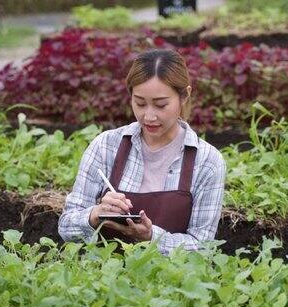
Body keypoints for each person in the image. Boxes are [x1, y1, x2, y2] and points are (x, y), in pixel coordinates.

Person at [58, 49, 226, 254]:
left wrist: (151, 237)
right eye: (139, 103)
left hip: (174, 283)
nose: (149, 116)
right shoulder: (106, 146)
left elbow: (203, 247)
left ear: (184, 96)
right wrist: (94, 215)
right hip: (104, 280)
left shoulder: (207, 161)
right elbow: (66, 226)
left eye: (160, 104)